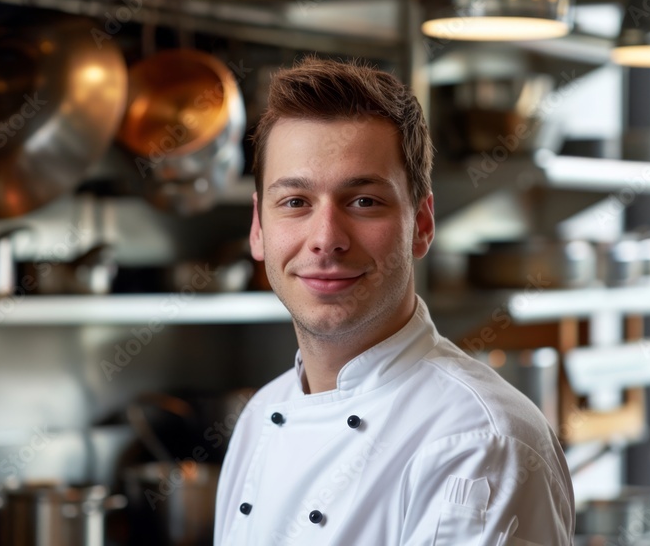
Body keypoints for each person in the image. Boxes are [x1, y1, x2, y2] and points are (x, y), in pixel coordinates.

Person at [214, 57, 575, 546]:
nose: (326, 239)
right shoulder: (260, 417)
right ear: (259, 229)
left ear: (421, 225)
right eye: (295, 202)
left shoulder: (482, 442)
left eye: (363, 201)